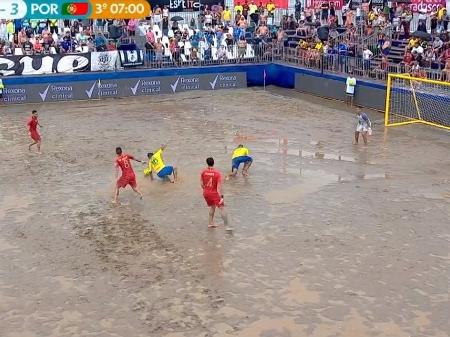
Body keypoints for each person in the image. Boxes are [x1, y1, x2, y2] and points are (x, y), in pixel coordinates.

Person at [201, 157, 228, 228]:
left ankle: (210, 223)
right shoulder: (217, 173)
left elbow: (201, 184)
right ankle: (227, 225)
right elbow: (219, 186)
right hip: (214, 193)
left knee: (212, 207)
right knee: (222, 208)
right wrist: (222, 196)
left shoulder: (203, 172)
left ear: (207, 163)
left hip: (206, 193)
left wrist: (206, 189)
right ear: (213, 162)